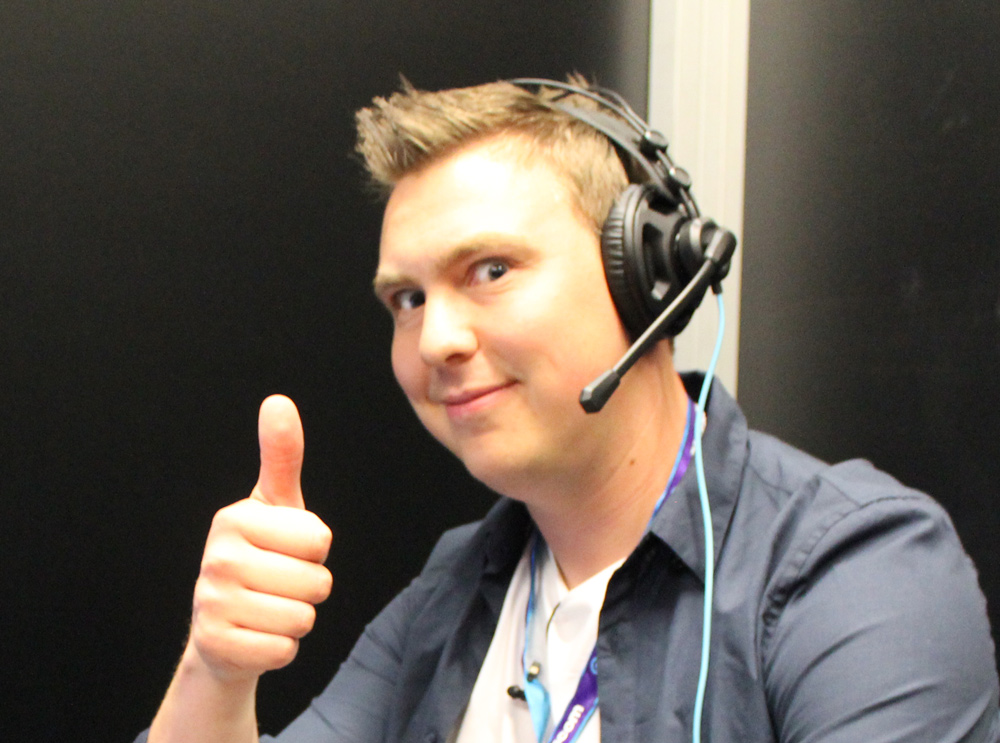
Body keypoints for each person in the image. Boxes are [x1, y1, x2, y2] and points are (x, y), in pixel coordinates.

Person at [138, 77, 1000, 743]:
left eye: (490, 270)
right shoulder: (456, 589)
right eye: (407, 299)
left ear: (647, 277)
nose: (436, 338)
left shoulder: (854, 570)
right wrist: (215, 671)